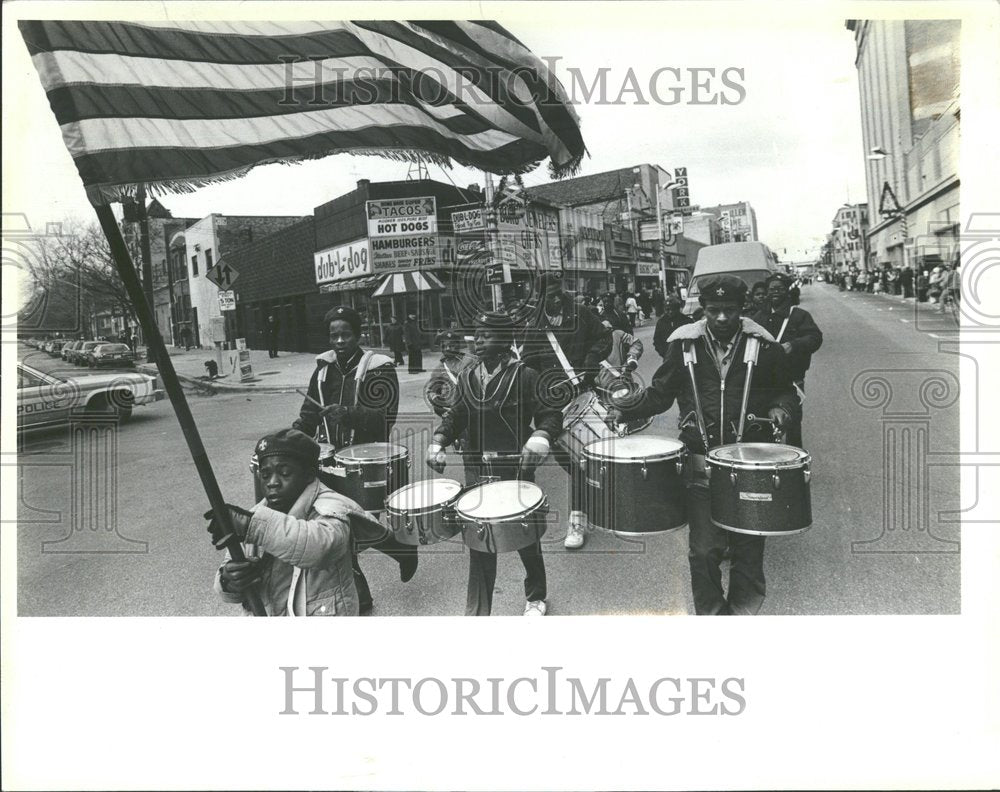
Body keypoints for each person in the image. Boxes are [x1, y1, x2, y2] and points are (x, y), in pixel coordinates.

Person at [609, 275, 800, 616]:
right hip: (700, 460)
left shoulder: (763, 346)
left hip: (750, 464)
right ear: (703, 311)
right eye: (714, 311)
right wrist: (625, 408)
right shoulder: (684, 346)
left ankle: (742, 612)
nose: (722, 318)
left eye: (729, 311)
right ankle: (713, 618)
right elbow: (659, 395)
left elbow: (788, 391)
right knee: (703, 550)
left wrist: (781, 408)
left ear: (742, 310)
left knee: (748, 547)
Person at [427, 312, 563, 616]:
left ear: (504, 340)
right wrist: (438, 440)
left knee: (525, 536)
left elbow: (551, 414)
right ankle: (478, 612)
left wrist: (540, 436)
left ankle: (536, 596)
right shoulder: (467, 376)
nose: (479, 340)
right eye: (477, 334)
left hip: (515, 469)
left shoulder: (525, 375)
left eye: (487, 335)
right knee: (480, 538)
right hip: (477, 468)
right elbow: (456, 415)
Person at [292, 305, 415, 615]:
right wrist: (294, 437)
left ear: (358, 335)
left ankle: (396, 551)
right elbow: (309, 414)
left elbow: (385, 418)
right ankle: (364, 590)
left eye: (346, 334)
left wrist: (349, 415)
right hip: (329, 458)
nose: (339, 341)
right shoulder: (323, 369)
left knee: (353, 522)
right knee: (340, 525)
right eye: (334, 335)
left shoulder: (378, 366)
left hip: (366, 457)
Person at [211, 428, 360, 616]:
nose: (272, 482)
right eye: (265, 475)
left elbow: (320, 547)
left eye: (284, 473)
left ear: (309, 475)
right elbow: (225, 582)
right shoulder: (255, 516)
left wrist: (252, 526)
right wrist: (229, 579)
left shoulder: (332, 507)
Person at [517, 271, 612, 550]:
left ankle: (577, 519)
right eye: (549, 295)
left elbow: (604, 338)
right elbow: (528, 364)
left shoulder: (581, 314)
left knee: (587, 464)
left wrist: (591, 359)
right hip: (552, 406)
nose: (555, 299)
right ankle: (582, 512)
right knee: (573, 466)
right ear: (538, 297)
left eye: (559, 292)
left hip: (582, 396)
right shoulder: (533, 326)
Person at [751, 273, 823, 448]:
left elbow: (815, 337)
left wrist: (794, 345)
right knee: (764, 419)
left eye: (779, 289)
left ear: (787, 290)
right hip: (765, 380)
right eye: (771, 289)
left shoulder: (799, 315)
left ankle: (794, 459)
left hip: (792, 378)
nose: (775, 292)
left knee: (791, 420)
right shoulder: (759, 317)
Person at [425, 329, 477, 436]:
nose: (448, 348)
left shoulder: (471, 360)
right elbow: (432, 391)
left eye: (451, 345)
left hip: (473, 408)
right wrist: (438, 405)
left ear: (457, 345)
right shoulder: (439, 369)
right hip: (453, 410)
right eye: (444, 346)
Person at [653, 295, 693, 360]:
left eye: (673, 309)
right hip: (668, 357)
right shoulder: (661, 322)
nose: (670, 312)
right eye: (668, 309)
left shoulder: (687, 321)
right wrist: (664, 353)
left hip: (686, 357)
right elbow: (657, 340)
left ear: (678, 309)